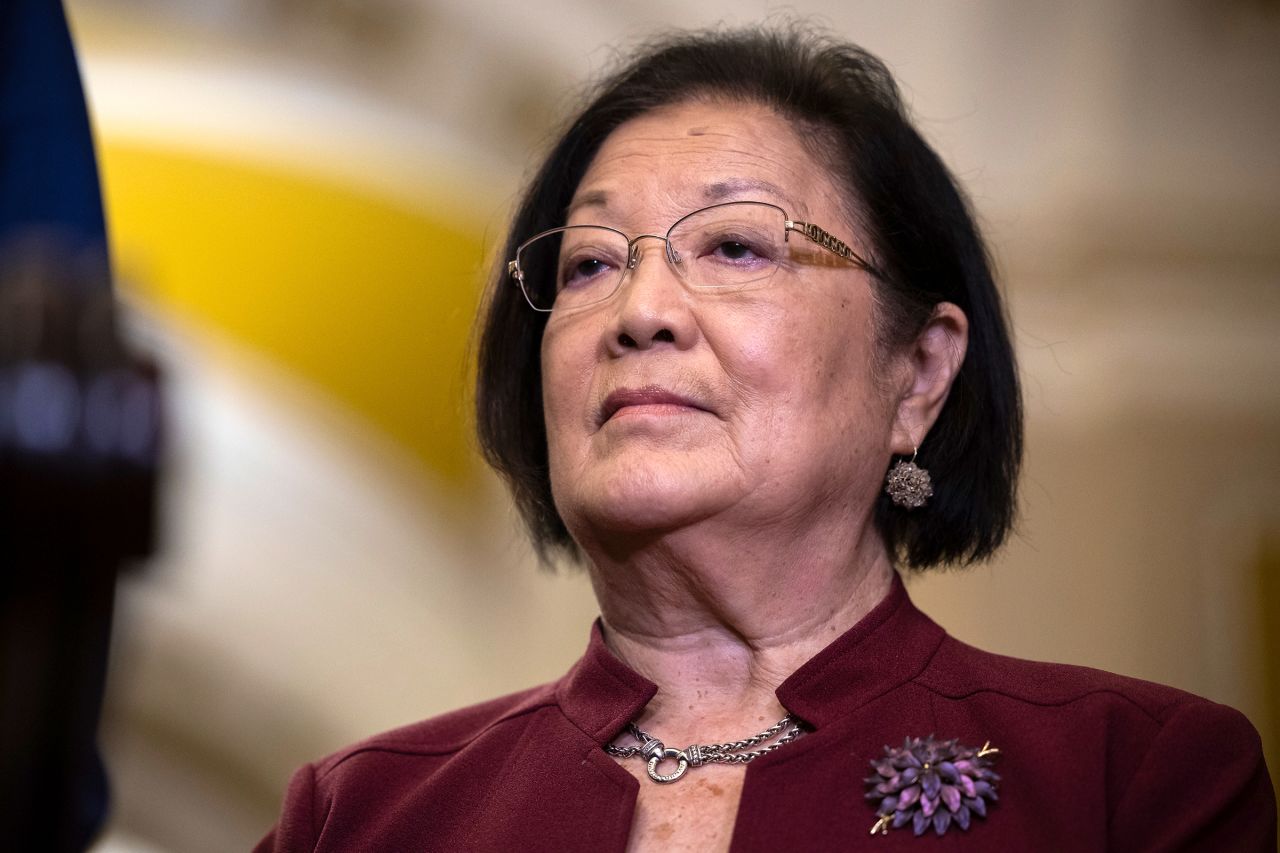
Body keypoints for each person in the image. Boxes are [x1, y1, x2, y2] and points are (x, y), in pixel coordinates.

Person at [255, 26, 1275, 851]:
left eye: (735, 245)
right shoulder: (359, 820)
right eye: (586, 266)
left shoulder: (1127, 779)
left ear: (915, 372)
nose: (639, 310)